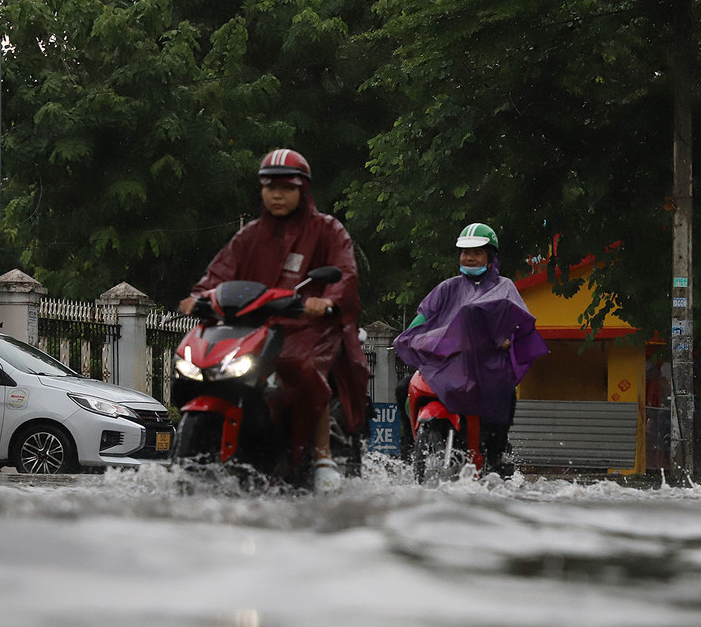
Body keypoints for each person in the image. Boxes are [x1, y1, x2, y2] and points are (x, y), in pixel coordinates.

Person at [179, 148, 369, 492]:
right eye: (270, 187)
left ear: (303, 190)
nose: (277, 195)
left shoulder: (328, 230)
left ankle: (323, 453)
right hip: (256, 326)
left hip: (310, 328)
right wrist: (199, 296)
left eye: (287, 187)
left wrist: (326, 301)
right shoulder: (249, 234)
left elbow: (344, 273)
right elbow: (218, 272)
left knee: (302, 365)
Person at [394, 222, 549, 476]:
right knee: (403, 389)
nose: (469, 257)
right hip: (445, 363)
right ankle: (408, 447)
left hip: (485, 366)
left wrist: (508, 338)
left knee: (505, 390)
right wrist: (409, 335)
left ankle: (497, 451)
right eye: (465, 252)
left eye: (476, 252)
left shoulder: (504, 287)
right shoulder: (448, 287)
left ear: (490, 257)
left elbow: (519, 322)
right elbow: (424, 316)